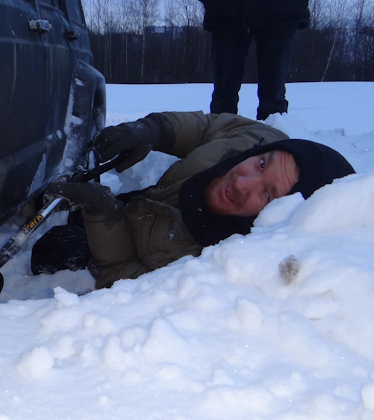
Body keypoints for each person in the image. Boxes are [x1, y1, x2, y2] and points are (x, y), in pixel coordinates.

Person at [38, 111, 355, 289]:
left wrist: (102, 215)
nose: (242, 182)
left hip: (134, 242)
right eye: (260, 164)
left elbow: (121, 276)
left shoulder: (210, 265)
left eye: (269, 195)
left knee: (53, 250)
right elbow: (210, 127)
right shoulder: (261, 142)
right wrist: (152, 130)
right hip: (153, 202)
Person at [200, 0, 310, 120]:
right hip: (226, 10)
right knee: (223, 97)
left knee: (273, 99)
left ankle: (273, 134)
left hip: (282, 10)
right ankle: (221, 132)